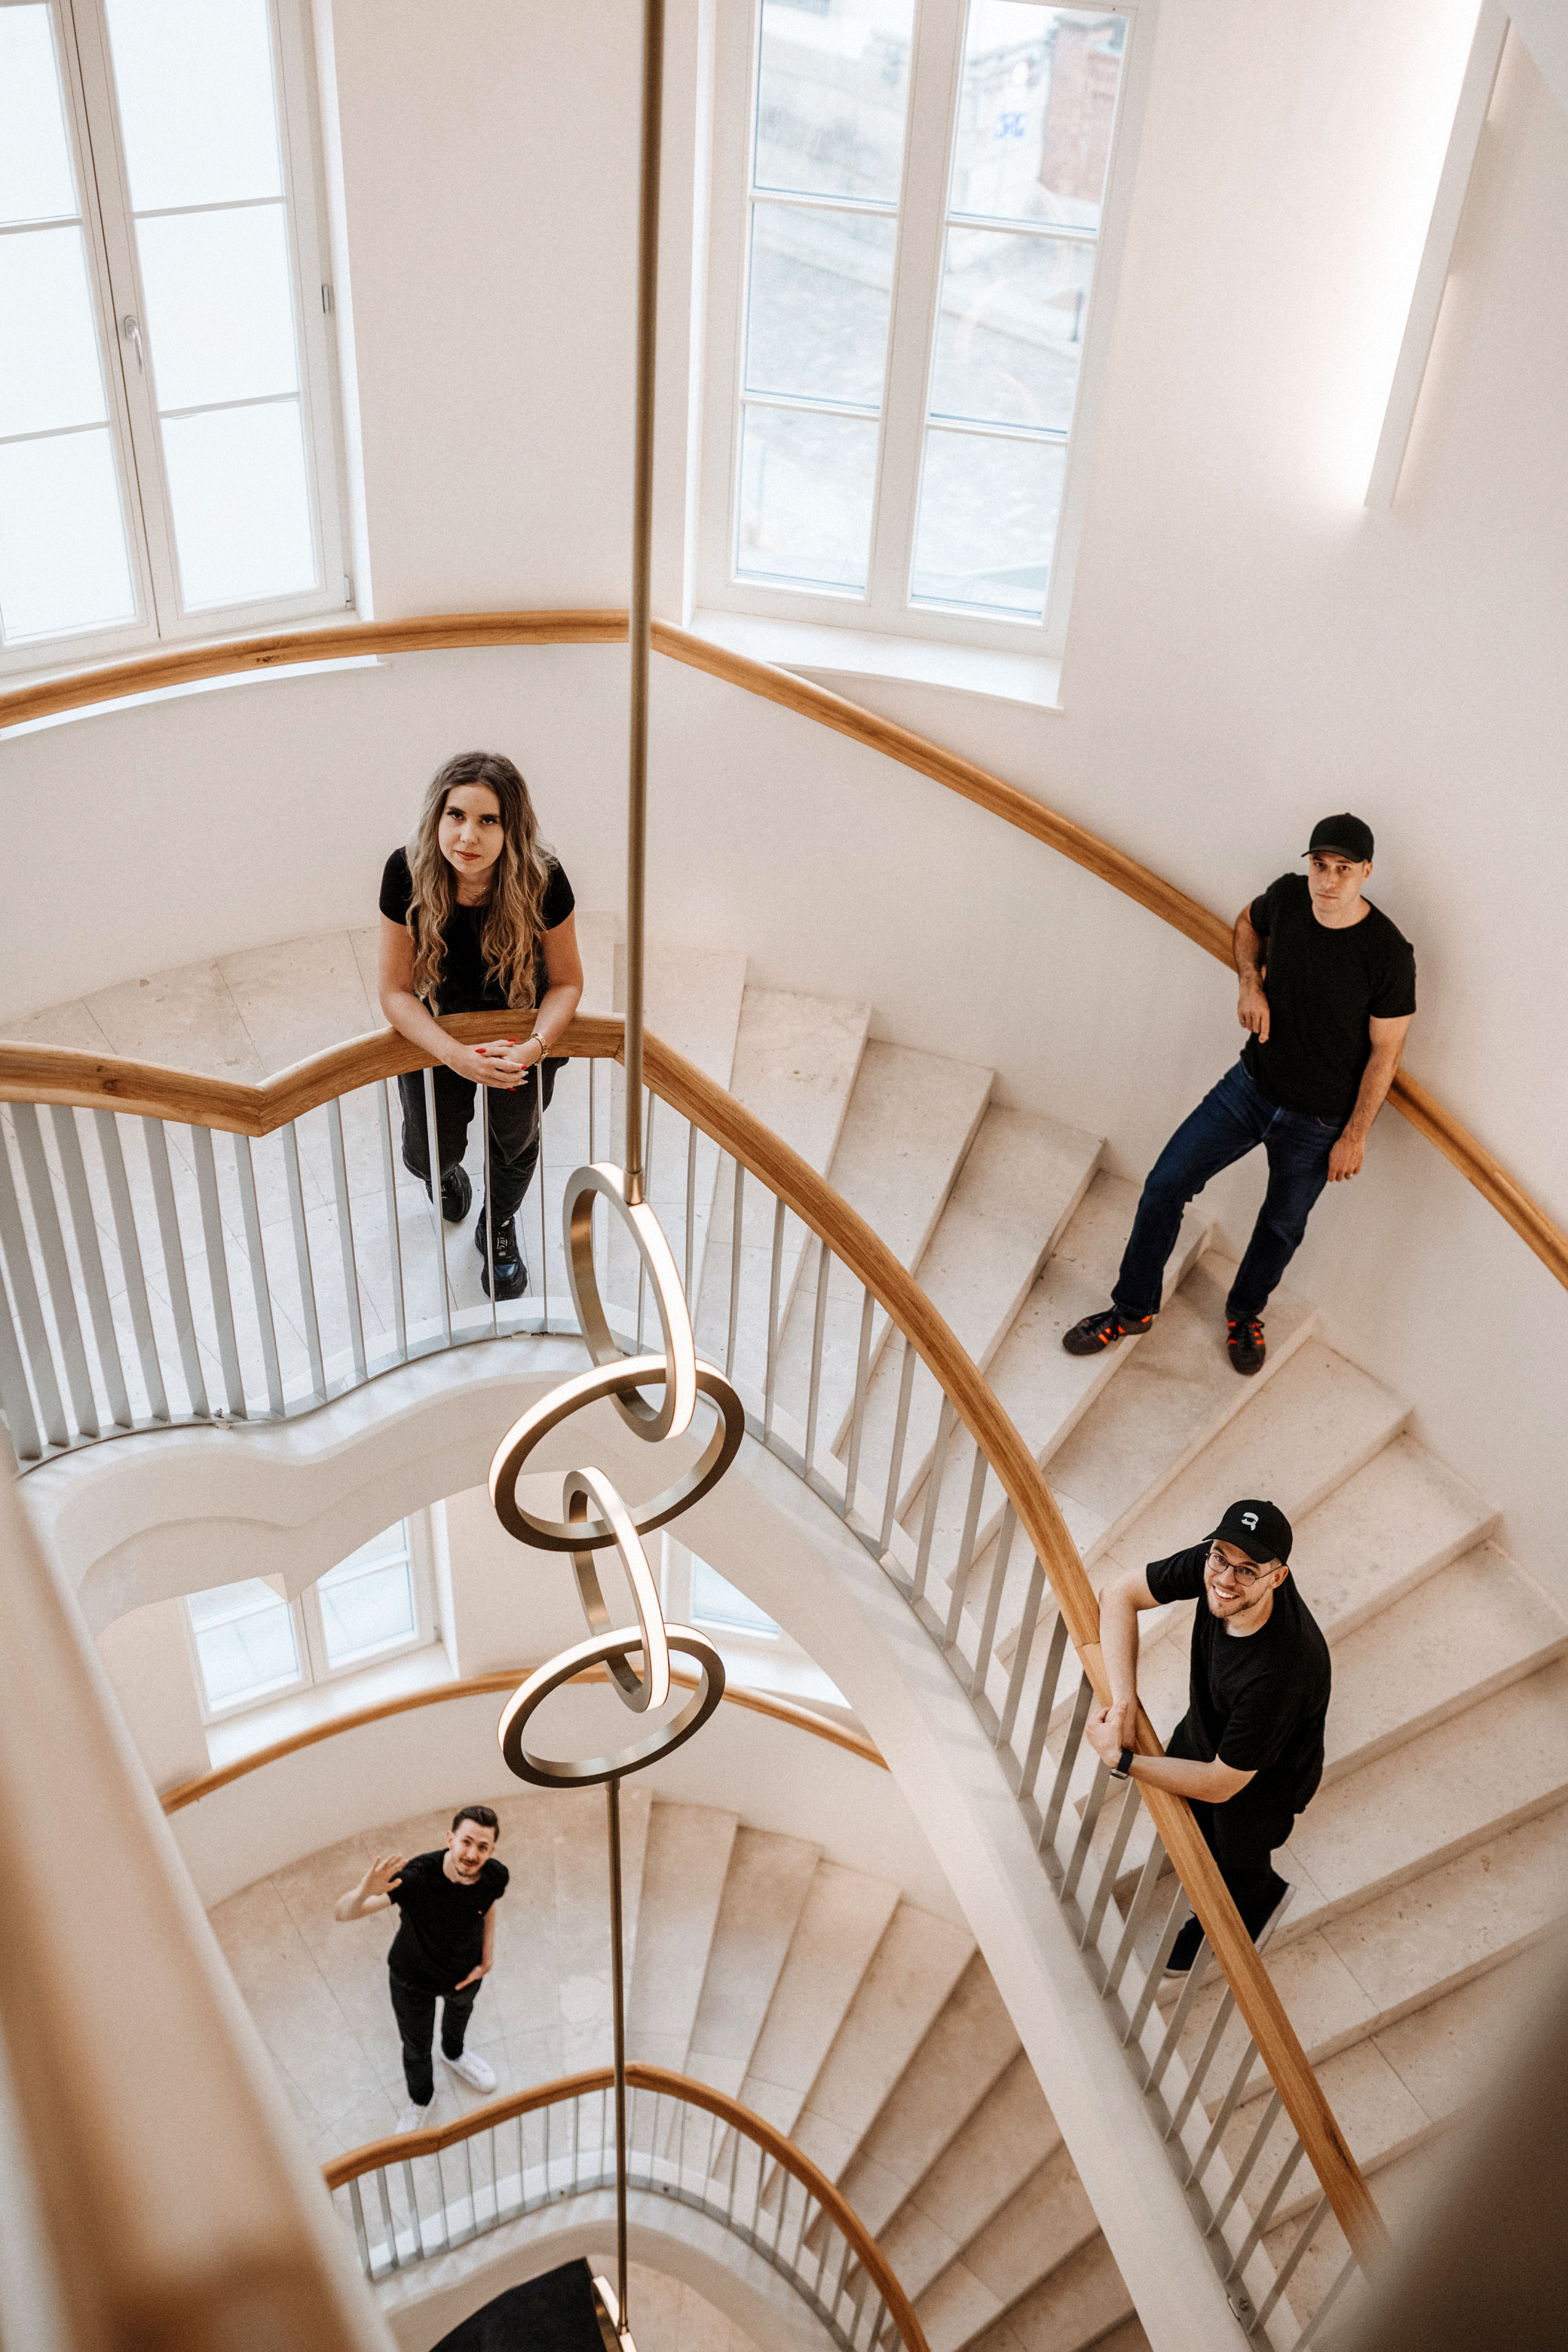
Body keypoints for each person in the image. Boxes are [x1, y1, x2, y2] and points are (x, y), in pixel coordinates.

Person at [1062, 815, 1415, 1374]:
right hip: (1248, 1088)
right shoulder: (1289, 896)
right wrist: (1249, 981)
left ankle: (1245, 1312)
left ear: (1366, 872)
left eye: (1344, 870)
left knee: (1281, 1227)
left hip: (1320, 1123)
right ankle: (1132, 1309)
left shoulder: (1388, 954)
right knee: (1164, 1185)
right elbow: (1249, 922)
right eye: (1320, 866)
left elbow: (1386, 1053)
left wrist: (1355, 1136)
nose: (1328, 881)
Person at [1084, 1499, 1330, 1974]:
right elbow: (1118, 1594)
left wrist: (1124, 1761)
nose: (1224, 1579)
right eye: (1220, 1558)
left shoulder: (1282, 1670)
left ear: (1277, 1578)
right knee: (1191, 1820)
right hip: (1206, 1729)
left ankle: (1254, 1903)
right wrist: (1125, 1704)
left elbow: (1223, 1783)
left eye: (1246, 1570)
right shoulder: (1214, 1564)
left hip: (1263, 1782)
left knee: (1235, 1858)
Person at [379, 751, 583, 1300]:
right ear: (438, 816)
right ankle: (445, 1173)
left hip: (521, 1037)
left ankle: (498, 1225)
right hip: (443, 1033)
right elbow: (395, 992)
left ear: (511, 826)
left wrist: (535, 1048)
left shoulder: (543, 878)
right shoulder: (406, 870)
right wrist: (454, 1055)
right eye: (456, 815)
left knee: (513, 1144)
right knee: (427, 1151)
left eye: (488, 819)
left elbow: (566, 982)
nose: (467, 835)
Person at [334, 1805, 510, 2133]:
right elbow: (342, 1914)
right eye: (466, 1842)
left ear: (492, 1850)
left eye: (482, 1847)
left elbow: (489, 1906)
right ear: (450, 1839)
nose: (473, 1853)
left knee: (459, 2018)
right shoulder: (417, 1877)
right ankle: (421, 2099)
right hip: (411, 1979)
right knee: (416, 2047)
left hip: (464, 1974)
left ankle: (454, 2055)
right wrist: (363, 1892)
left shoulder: (495, 1874)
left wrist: (487, 1959)